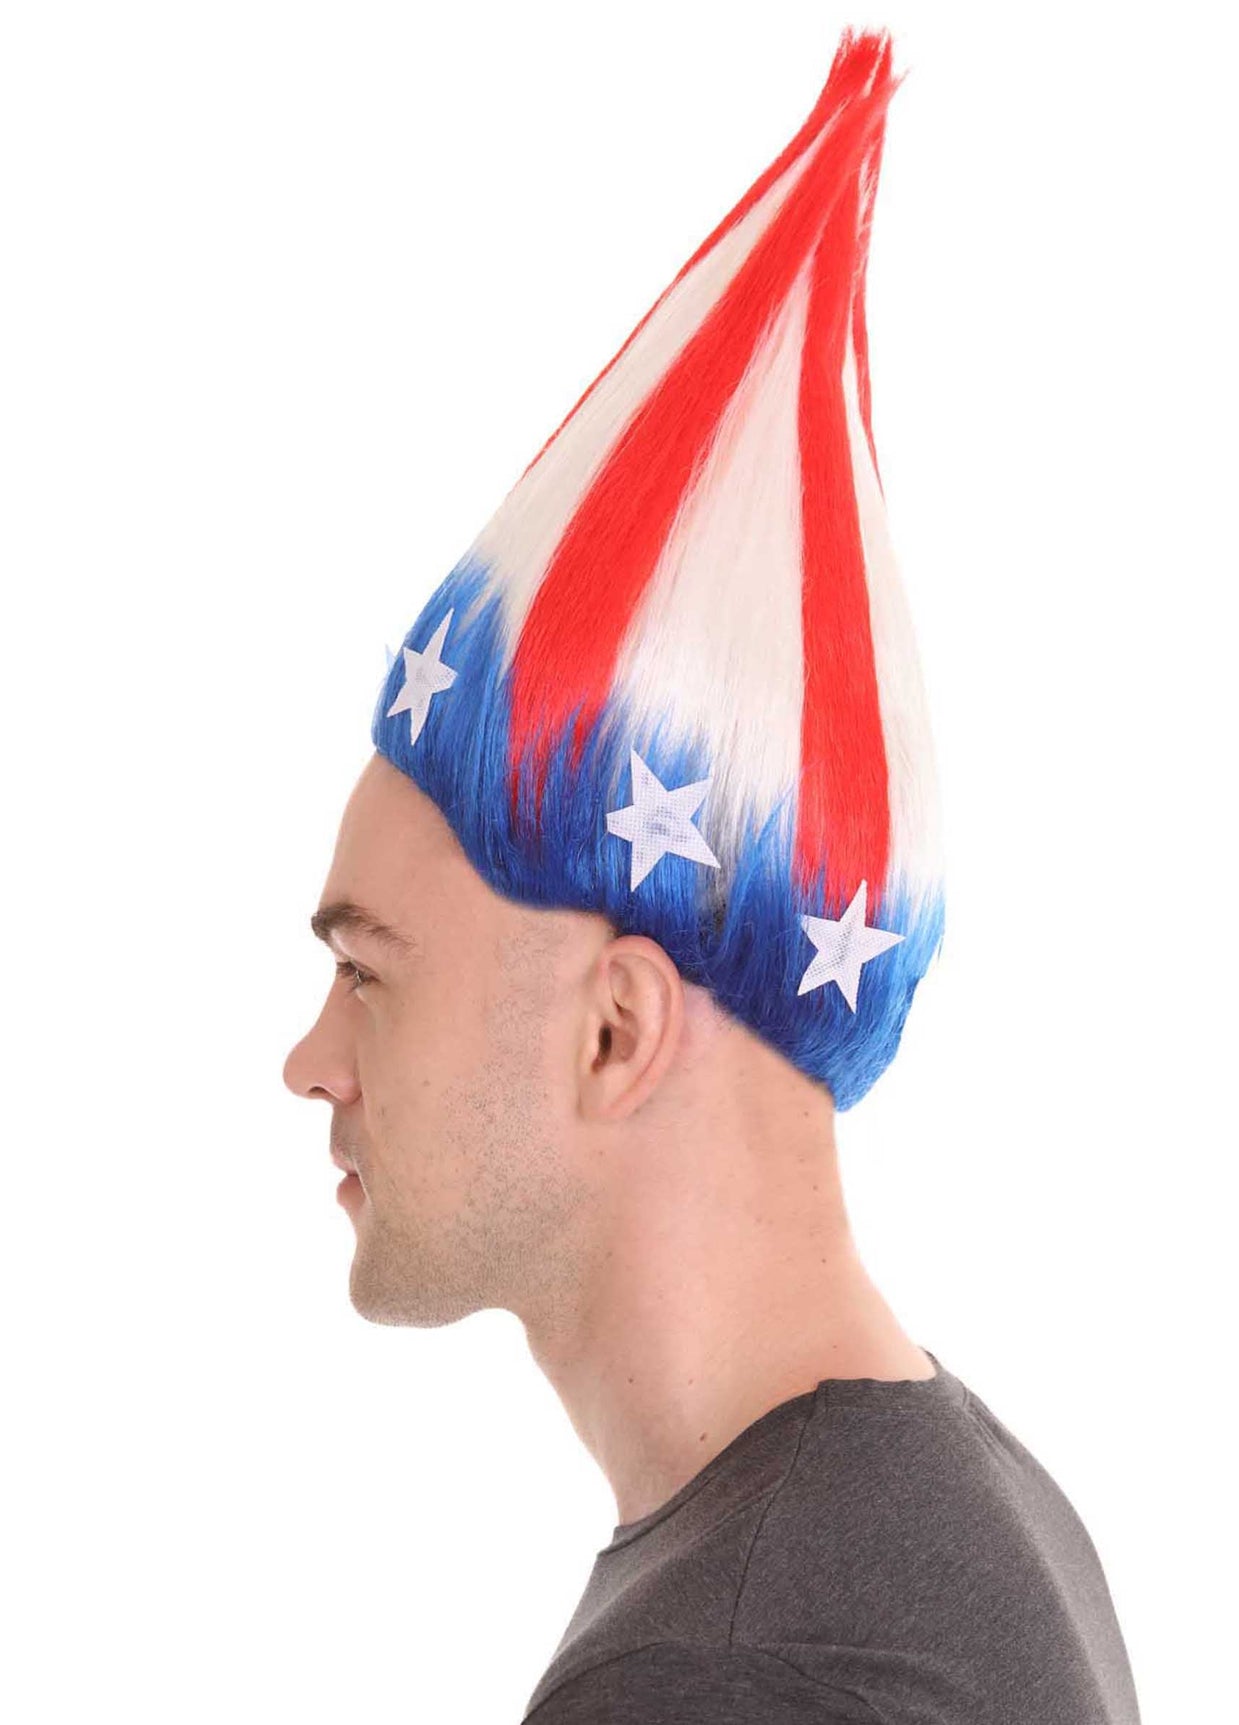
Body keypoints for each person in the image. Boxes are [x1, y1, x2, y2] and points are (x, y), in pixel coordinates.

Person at [284, 27, 1141, 1723]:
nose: (311, 1058)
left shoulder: (727, 1668)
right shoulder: (962, 1508)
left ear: (613, 1028)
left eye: (367, 968)